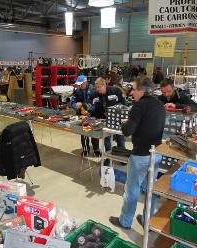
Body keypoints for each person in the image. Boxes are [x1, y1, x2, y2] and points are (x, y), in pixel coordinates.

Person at [109, 76, 166, 230]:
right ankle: (148, 220)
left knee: (132, 189)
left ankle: (125, 221)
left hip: (141, 155)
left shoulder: (139, 106)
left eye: (133, 89)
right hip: (156, 153)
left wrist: (124, 122)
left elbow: (127, 132)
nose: (131, 92)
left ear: (141, 91)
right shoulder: (160, 105)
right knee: (150, 190)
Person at [88, 77, 126, 165]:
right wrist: (87, 109)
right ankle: (109, 157)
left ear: (104, 84)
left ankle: (122, 158)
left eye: (99, 87)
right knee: (106, 139)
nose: (97, 89)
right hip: (102, 120)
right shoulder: (94, 94)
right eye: (96, 87)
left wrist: (113, 112)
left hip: (117, 119)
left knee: (120, 138)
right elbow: (90, 105)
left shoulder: (115, 91)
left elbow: (123, 104)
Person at [71, 75, 100, 157]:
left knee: (94, 131)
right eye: (79, 84)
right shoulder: (77, 90)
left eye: (82, 84)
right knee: (83, 131)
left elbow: (96, 103)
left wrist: (89, 110)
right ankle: (85, 149)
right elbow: (72, 101)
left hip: (92, 114)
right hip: (81, 115)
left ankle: (96, 149)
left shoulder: (93, 90)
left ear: (86, 82)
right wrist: (77, 107)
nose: (80, 86)